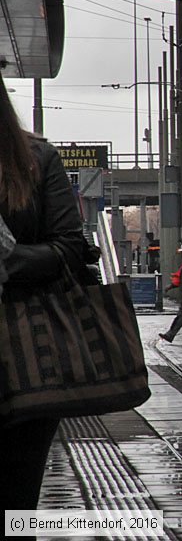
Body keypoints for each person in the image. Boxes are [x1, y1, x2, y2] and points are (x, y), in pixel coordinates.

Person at [0, 72, 89, 513]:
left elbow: (71, 246)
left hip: (23, 359)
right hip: (26, 361)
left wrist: (8, 261)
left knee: (16, 508)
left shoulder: (34, 158)